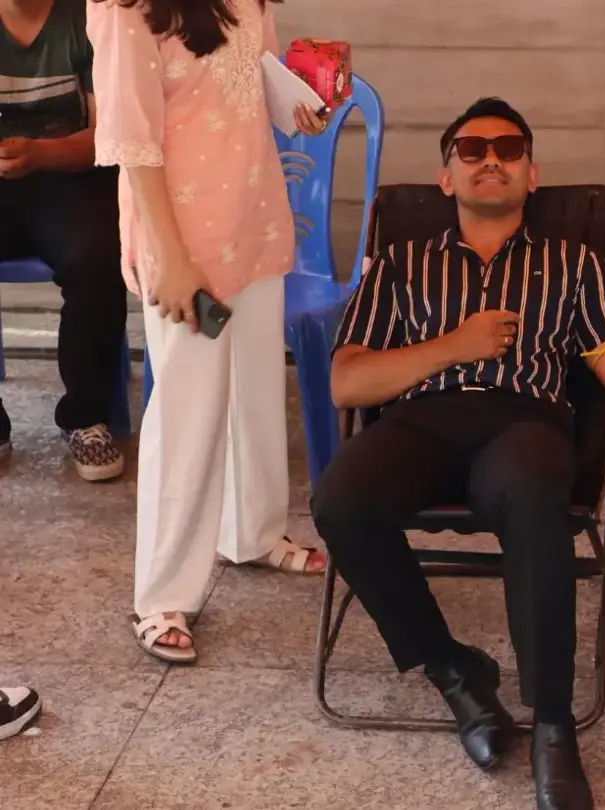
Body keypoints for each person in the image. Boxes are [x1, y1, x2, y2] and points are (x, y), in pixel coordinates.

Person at [310, 97, 605, 810]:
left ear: (531, 174)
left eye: (509, 150)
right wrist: (454, 347)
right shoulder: (400, 264)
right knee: (339, 500)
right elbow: (347, 381)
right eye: (471, 150)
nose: (491, 160)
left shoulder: (575, 266)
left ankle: (553, 727)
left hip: (524, 421)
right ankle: (453, 670)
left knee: (536, 491)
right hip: (421, 420)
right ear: (446, 177)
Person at [86, 0, 330, 664]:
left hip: (253, 215)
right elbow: (131, 140)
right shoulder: (125, 8)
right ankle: (162, 594)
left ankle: (253, 533)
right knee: (187, 413)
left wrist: (300, 104)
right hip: (184, 238)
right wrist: (170, 257)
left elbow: (254, 80)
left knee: (256, 387)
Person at [0, 0, 128, 481]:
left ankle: (85, 417)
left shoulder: (87, 19)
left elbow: (108, 135)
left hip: (71, 177)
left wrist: (41, 154)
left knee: (99, 257)